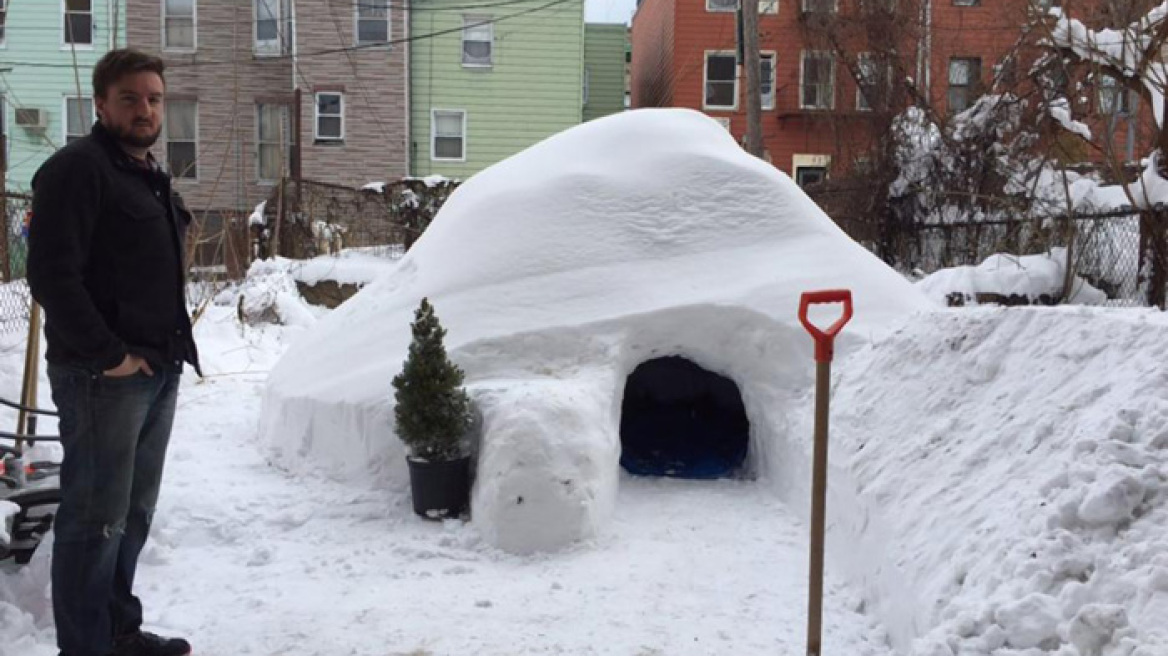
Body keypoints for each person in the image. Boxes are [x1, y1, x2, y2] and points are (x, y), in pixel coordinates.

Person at [27, 48, 200, 656]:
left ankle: (118, 632)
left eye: (153, 98)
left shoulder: (147, 173)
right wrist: (109, 356)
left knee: (131, 515)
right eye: (129, 98)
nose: (144, 109)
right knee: (94, 521)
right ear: (101, 104)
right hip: (103, 376)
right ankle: (85, 647)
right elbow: (51, 275)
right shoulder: (77, 169)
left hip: (156, 369)